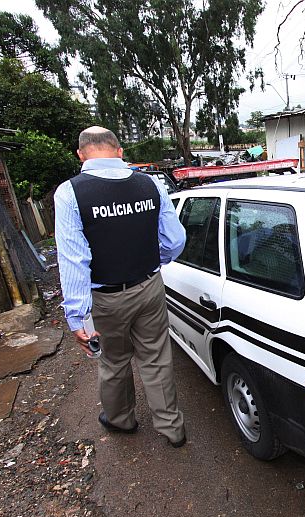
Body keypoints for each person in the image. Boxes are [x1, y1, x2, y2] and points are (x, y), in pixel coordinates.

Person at [54, 126, 187, 447]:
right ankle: (172, 428)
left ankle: (122, 420)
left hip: (105, 299)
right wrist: (153, 261)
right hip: (150, 287)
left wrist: (77, 316)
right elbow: (175, 241)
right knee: (156, 359)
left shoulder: (70, 193)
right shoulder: (150, 184)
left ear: (81, 154)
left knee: (114, 361)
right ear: (119, 151)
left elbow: (74, 259)